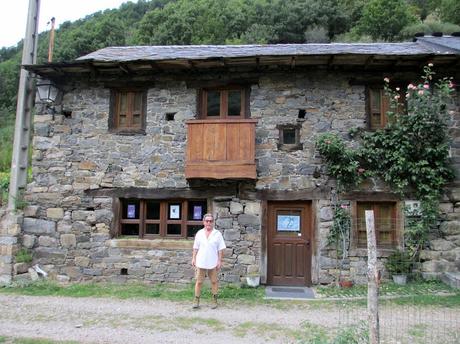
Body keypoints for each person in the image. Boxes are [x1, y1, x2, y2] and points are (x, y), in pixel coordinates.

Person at [191, 213, 226, 309]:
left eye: (210, 221)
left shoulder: (217, 234)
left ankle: (214, 300)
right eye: (207, 221)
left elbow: (220, 249)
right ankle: (196, 300)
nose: (209, 223)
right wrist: (193, 258)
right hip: (201, 261)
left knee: (214, 281)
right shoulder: (199, 233)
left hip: (213, 262)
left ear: (213, 222)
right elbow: (195, 247)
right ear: (203, 222)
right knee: (199, 282)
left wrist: (219, 261)